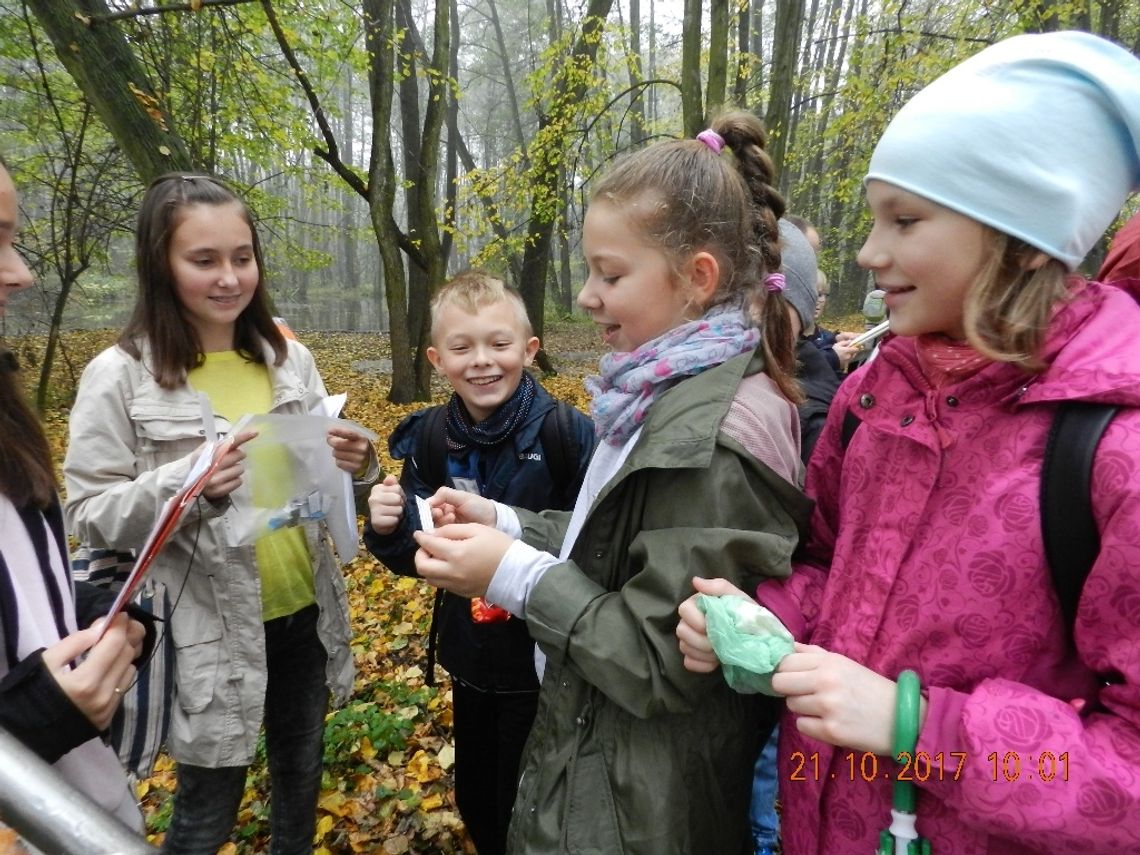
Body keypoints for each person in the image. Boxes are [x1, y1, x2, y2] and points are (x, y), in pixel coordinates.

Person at [677, 31, 1140, 853]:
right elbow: (827, 563)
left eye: (907, 219)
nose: (869, 253)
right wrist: (761, 618)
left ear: (1023, 237)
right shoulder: (872, 397)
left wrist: (916, 724)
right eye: (871, 218)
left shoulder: (1112, 450)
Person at [409, 112, 813, 854]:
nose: (588, 295)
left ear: (697, 278)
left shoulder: (709, 437)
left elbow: (660, 658)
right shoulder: (655, 390)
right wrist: (505, 521)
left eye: (612, 273)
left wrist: (515, 575)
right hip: (605, 764)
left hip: (640, 804)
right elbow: (616, 544)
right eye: (591, 270)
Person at [63, 173, 378, 855]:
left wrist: (357, 464)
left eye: (242, 256)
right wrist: (188, 483)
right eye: (203, 260)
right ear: (160, 263)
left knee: (301, 777)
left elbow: (323, 474)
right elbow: (89, 513)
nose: (229, 277)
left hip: (302, 611)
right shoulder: (119, 376)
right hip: (206, 630)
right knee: (207, 807)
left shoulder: (288, 358)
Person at [363, 271, 595, 855]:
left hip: (549, 660)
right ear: (438, 359)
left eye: (499, 344)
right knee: (478, 797)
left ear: (529, 349)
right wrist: (389, 529)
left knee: (534, 801)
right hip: (471, 654)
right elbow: (420, 551)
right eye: (463, 348)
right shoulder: (433, 438)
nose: (482, 362)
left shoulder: (570, 434)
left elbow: (596, 545)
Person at [0, 159, 148, 831]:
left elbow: (32, 588)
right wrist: (38, 718)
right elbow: (98, 511)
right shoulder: (114, 375)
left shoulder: (6, 417)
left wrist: (100, 610)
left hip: (91, 798)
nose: (24, 272)